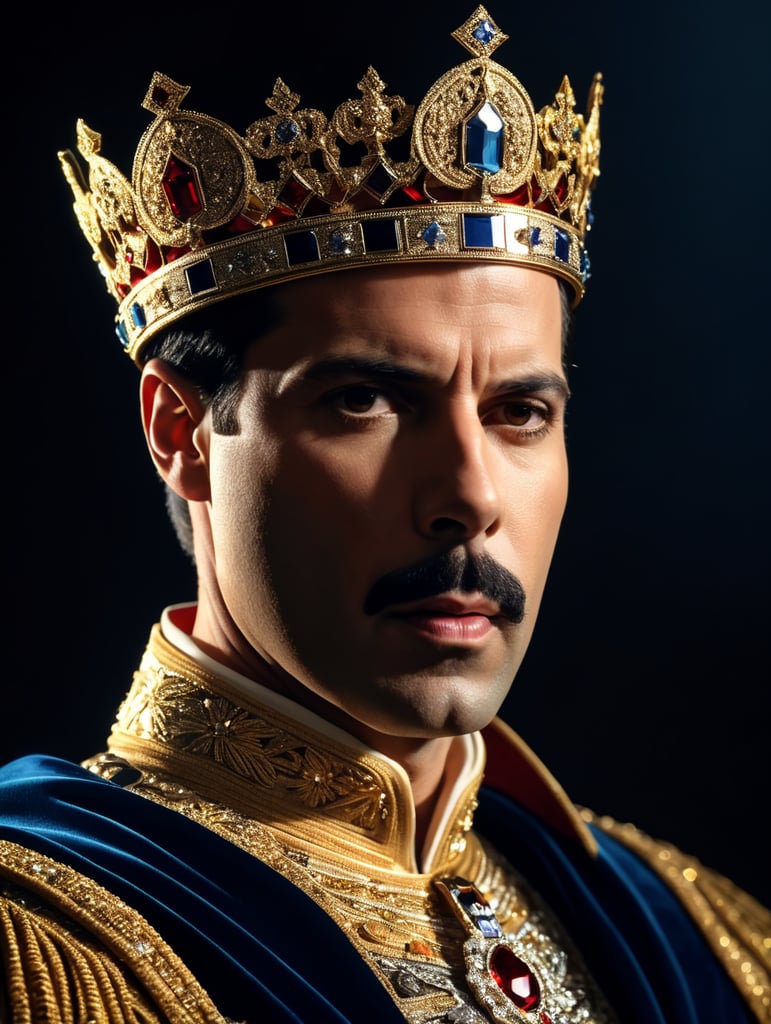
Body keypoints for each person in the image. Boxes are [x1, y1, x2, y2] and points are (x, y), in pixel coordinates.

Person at [1, 6, 768, 1023]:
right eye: (365, 401)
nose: (471, 496)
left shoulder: (692, 931)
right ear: (179, 432)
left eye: (520, 413)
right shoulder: (47, 939)